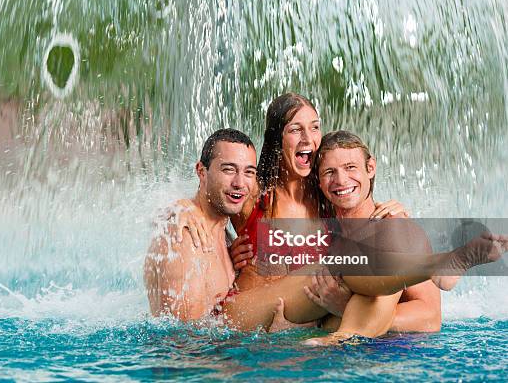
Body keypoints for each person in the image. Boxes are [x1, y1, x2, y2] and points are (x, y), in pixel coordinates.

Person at [144, 128, 507, 333]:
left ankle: (439, 264)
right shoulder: (196, 225)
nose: (341, 181)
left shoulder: (391, 223)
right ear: (318, 180)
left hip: (298, 324)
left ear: (370, 169)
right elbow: (216, 201)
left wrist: (340, 312)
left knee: (359, 266)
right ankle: (440, 263)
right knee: (341, 262)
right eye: (330, 172)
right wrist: (177, 211)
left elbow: (430, 317)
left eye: (351, 168)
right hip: (232, 323)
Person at [178, 93, 439, 333]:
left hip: (296, 335)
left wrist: (396, 222)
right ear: (277, 138)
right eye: (295, 129)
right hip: (241, 326)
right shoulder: (256, 194)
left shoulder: (328, 197)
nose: (308, 139)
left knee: (355, 277)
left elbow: (428, 313)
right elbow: (210, 200)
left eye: (315, 127)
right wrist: (182, 209)